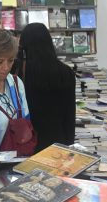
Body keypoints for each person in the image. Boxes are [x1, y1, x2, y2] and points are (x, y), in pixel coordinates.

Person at [18, 23, 76, 152]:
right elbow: (69, 114)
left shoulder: (21, 71)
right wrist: (69, 144)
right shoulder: (66, 72)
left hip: (28, 140)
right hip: (58, 142)